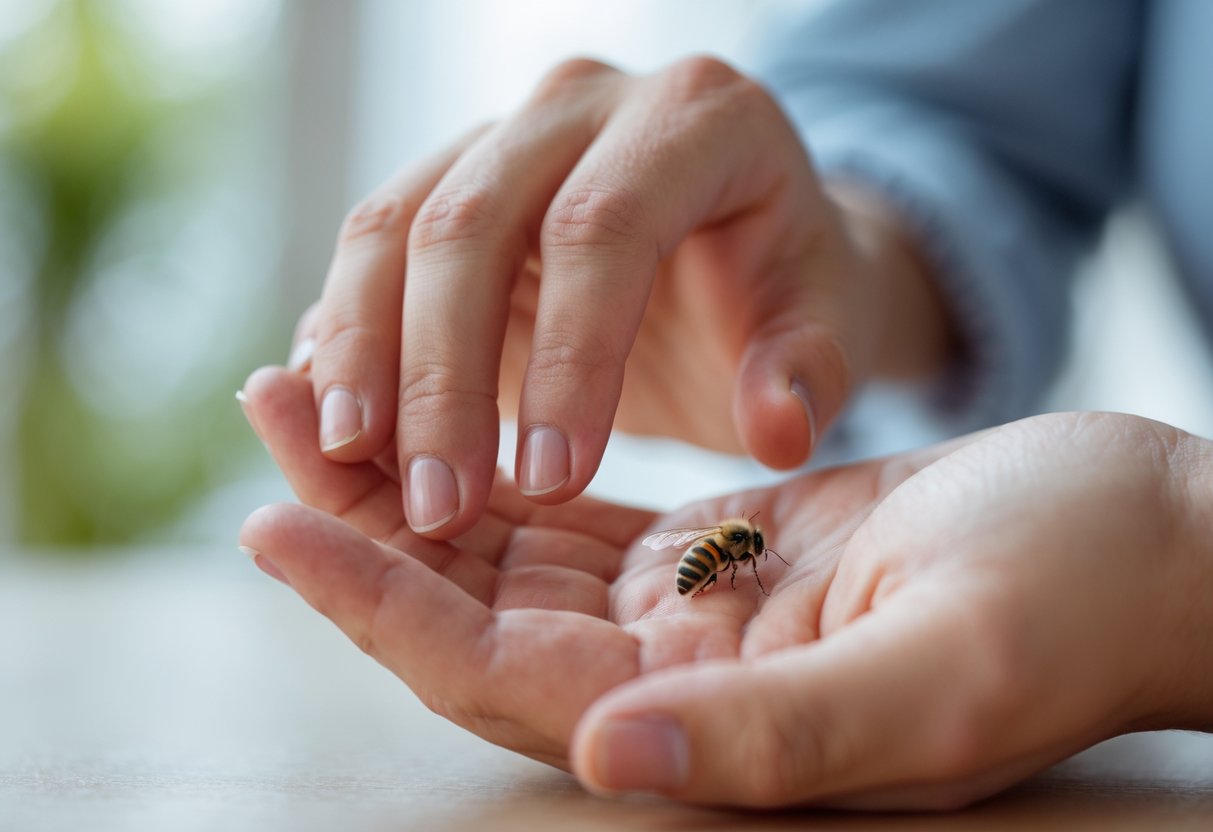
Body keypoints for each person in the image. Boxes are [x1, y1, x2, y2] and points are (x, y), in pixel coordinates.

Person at [239, 0, 1213, 809]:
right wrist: (823, 274)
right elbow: (961, 105)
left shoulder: (737, 552)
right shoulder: (736, 550)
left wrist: (1186, 552)